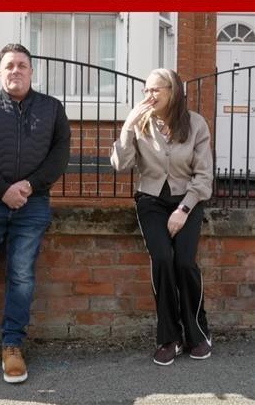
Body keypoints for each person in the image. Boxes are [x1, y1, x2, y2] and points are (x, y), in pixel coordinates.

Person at [0, 43, 70, 384]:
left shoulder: (52, 108)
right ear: (0, 71)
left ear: (32, 71)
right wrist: (2, 189)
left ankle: (12, 345)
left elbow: (59, 155)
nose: (15, 71)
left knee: (21, 275)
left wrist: (28, 186)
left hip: (32, 203)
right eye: (9, 65)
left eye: (22, 65)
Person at [110, 68, 213, 366]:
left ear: (174, 92)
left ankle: (198, 331)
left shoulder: (195, 124)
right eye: (146, 91)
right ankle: (169, 337)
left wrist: (183, 209)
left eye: (156, 90)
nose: (149, 96)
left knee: (184, 262)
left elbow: (204, 176)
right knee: (163, 260)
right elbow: (121, 164)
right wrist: (128, 126)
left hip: (187, 200)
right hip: (151, 201)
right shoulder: (141, 123)